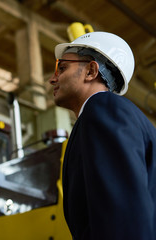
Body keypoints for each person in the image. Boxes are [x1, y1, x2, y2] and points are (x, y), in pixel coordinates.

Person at [49, 31, 156, 240]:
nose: (53, 78)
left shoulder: (102, 109)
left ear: (91, 71)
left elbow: (122, 211)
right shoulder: (105, 115)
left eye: (62, 68)